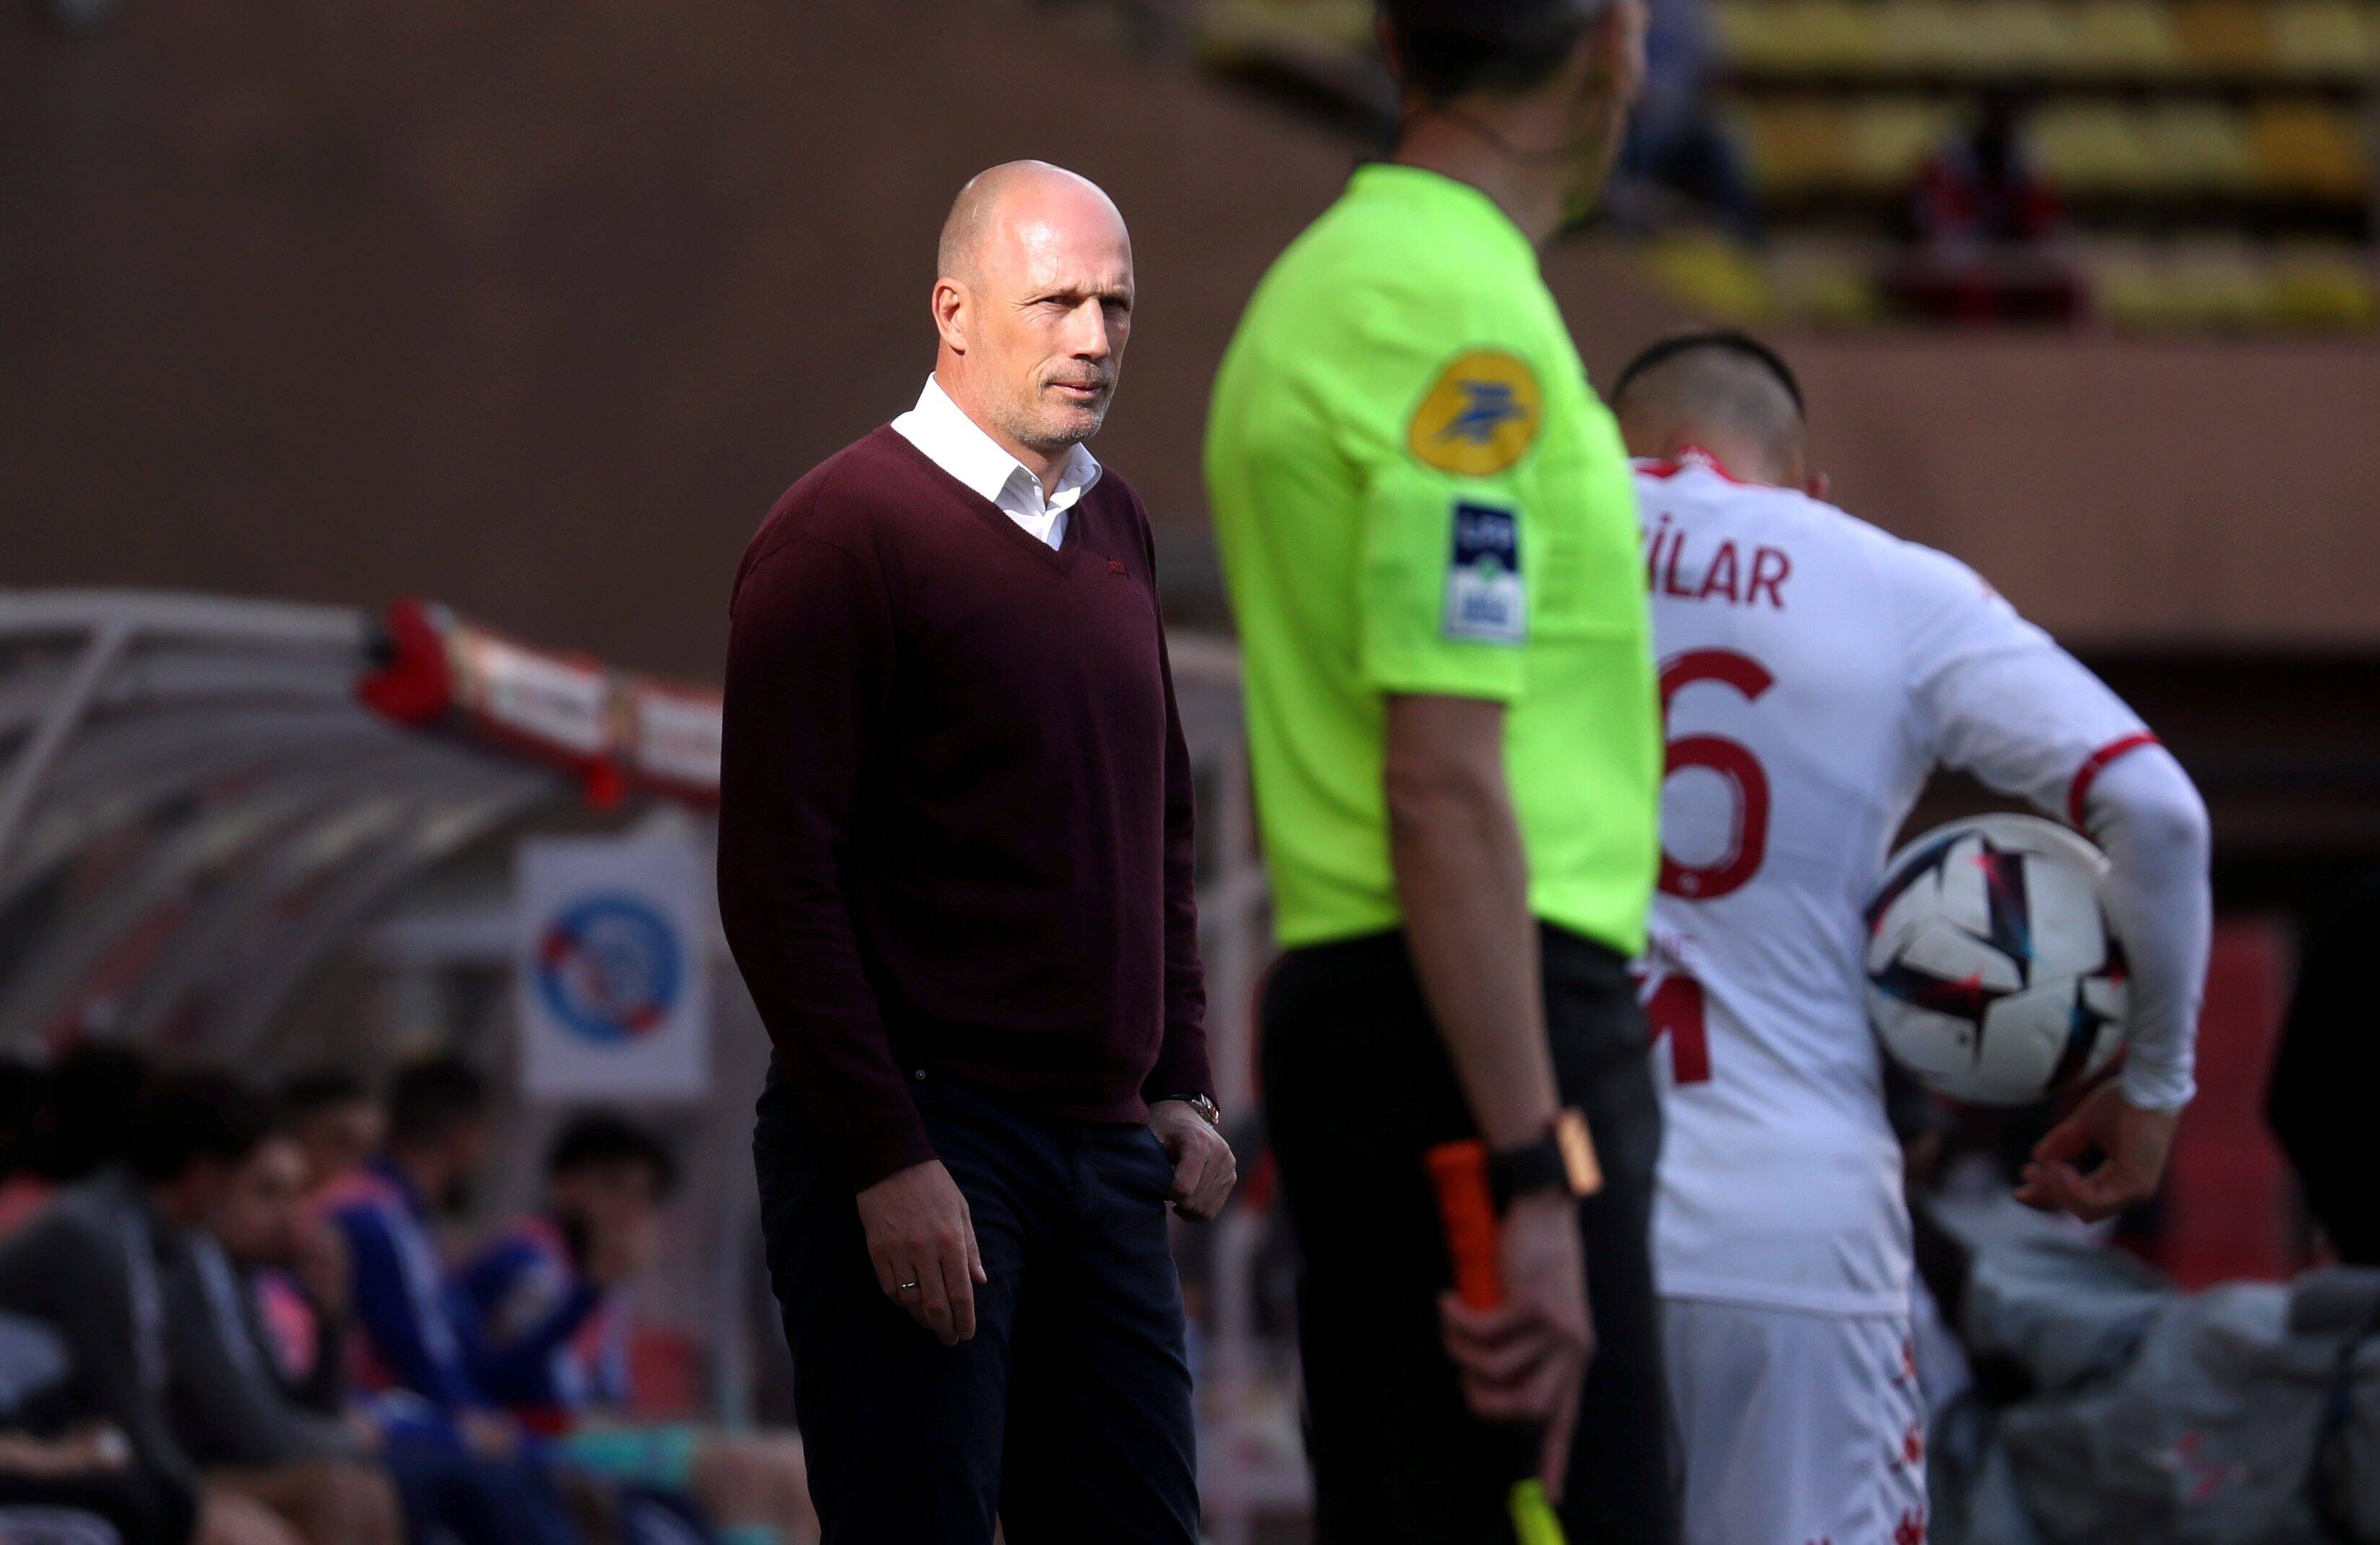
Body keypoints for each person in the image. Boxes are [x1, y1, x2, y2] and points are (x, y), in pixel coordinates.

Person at [1609, 329, 2212, 1545]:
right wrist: (2153, 1084)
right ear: (1810, 486)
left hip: (1555, 1213)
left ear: (1623, 447)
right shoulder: (1878, 580)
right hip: (1795, 1236)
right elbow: (2156, 812)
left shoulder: (1533, 538)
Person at [717, 159, 1234, 1542]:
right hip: (924, 1135)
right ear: (953, 310)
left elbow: (1156, 821)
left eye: (1115, 305)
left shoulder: (1114, 522)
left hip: (1102, 1152)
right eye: (1056, 301)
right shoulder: (840, 533)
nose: (1094, 337)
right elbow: (774, 876)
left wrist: (1179, 1077)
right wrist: (884, 1153)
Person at [1204, 1, 1669, 1538]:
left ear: (1395, 47)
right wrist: (1534, 1167)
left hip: (1402, 1015)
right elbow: (1442, 781)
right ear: (1614, 43)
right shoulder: (1454, 322)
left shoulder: (1328, 290)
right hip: (1479, 1028)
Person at [456, 1114, 816, 1545]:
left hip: (596, 1431)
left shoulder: (594, 1275)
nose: (627, 1209)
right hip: (537, 1434)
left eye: (645, 1196)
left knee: (798, 1473)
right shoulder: (530, 1258)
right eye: (612, 1187)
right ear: (564, 1185)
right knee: (746, 1474)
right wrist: (593, 1286)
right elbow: (507, 1371)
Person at [0, 1069, 322, 1545]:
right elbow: (132, 1399)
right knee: (253, 1526)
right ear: (206, 1176)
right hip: (38, 1448)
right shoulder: (94, 1238)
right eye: (258, 1187)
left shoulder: (171, 1242)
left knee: (330, 1496)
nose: (290, 1216)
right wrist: (191, 1498)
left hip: (67, 1443)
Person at [320, 1058, 578, 1545]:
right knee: (508, 1470)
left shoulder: (406, 1219)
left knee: (537, 1464)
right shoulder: (374, 1217)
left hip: (393, 1411)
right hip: (373, 1413)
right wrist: (477, 1418)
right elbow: (422, 1354)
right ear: (465, 1137)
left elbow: (467, 1354)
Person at [165, 1126, 401, 1545]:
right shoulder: (190, 1269)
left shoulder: (245, 1280)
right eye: (268, 1194)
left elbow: (313, 1408)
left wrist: (331, 1318)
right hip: (171, 1466)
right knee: (336, 1489)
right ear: (214, 1191)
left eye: (297, 1195)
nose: (293, 1217)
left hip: (226, 1462)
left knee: (370, 1489)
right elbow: (258, 1433)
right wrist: (349, 1440)